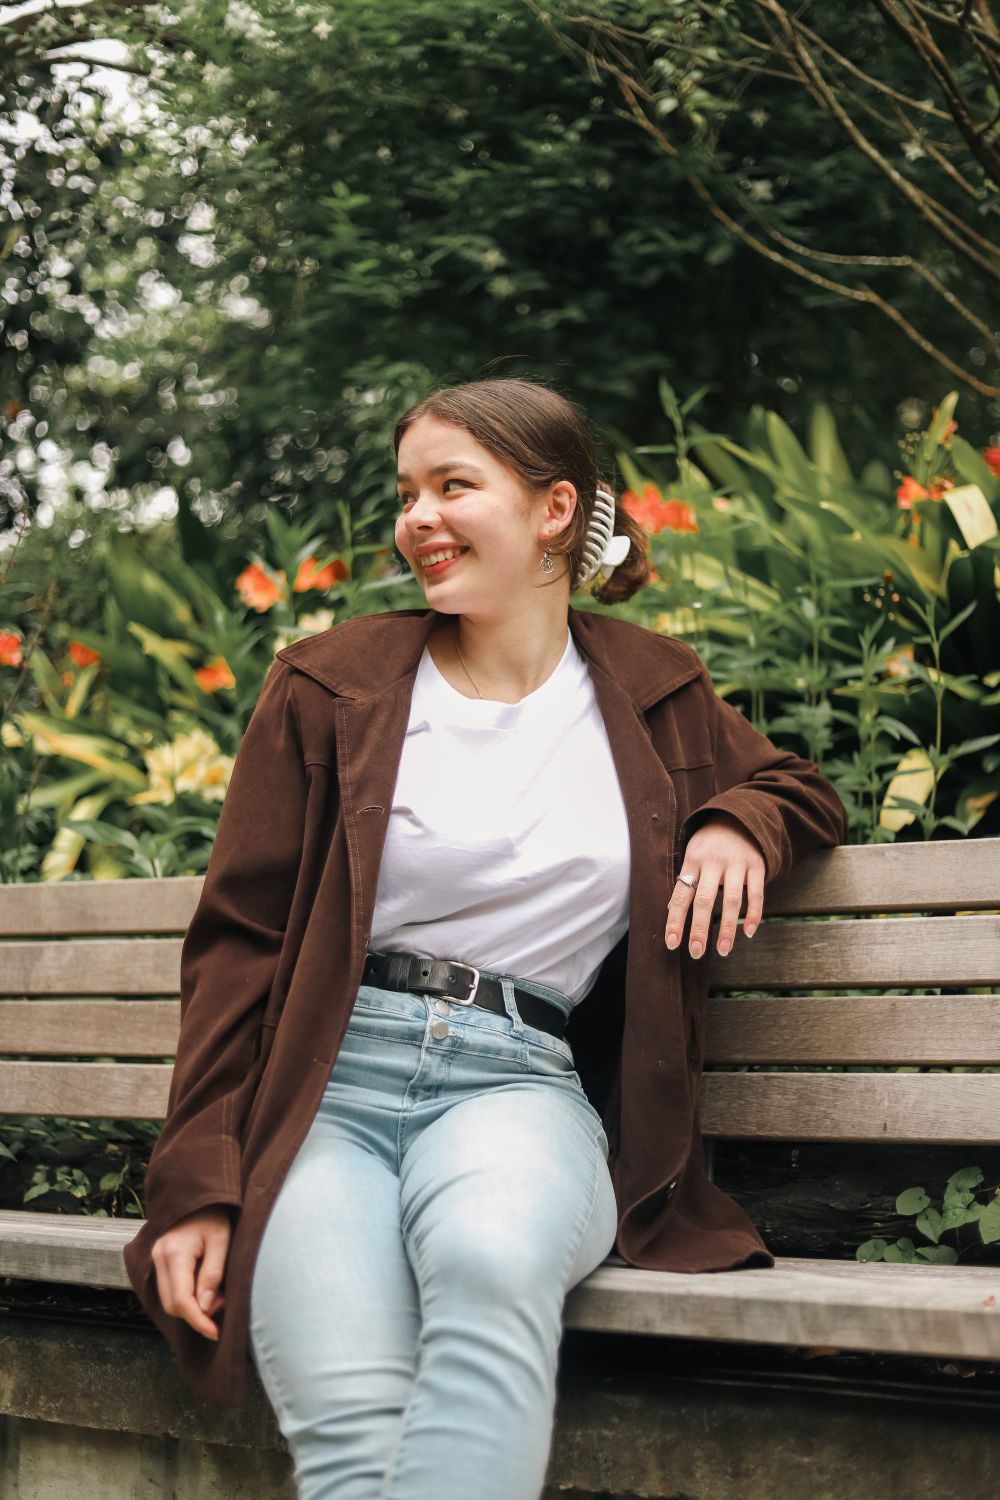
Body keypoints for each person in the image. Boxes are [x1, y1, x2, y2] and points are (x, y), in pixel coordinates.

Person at [133, 375, 847, 1500]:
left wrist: (736, 820)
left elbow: (797, 786)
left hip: (514, 1084)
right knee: (351, 1428)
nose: (417, 518)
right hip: (325, 1089)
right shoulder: (331, 683)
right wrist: (197, 1186)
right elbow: (238, 948)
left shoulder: (653, 691)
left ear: (553, 509)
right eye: (406, 493)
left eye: (451, 486)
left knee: (490, 1261)